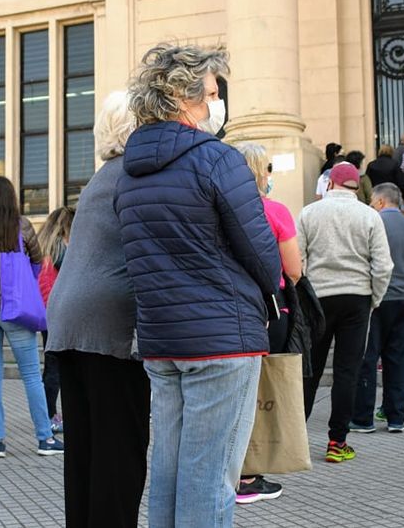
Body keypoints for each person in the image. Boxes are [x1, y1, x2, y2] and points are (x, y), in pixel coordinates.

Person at [114, 44, 281, 528]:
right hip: (221, 336)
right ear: (181, 99)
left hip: (162, 339)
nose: (215, 103)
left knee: (168, 471)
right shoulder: (216, 159)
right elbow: (260, 250)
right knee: (210, 478)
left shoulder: (129, 171)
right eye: (210, 93)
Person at [46, 91, 149, 528]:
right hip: (110, 327)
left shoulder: (102, 176)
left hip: (69, 322)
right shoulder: (136, 174)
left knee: (85, 455)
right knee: (119, 455)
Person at [297, 162, 393, 464]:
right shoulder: (370, 215)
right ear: (355, 186)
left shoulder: (309, 213)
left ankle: (295, 441)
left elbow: (297, 261)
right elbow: (383, 265)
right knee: (347, 372)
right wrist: (374, 298)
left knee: (309, 371)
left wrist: (304, 297)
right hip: (357, 298)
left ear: (330, 184)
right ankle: (337, 442)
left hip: (319, 299)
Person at [0, 176, 63, 458]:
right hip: (15, 308)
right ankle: (45, 439)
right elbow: (36, 260)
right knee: (32, 375)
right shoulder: (22, 226)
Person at [233, 143, 303, 504]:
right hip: (267, 308)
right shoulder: (274, 211)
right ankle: (247, 475)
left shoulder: (219, 209)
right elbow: (293, 269)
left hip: (226, 307)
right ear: (261, 172)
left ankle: (231, 470)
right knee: (257, 392)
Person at [349, 183, 404, 435]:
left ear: (381, 202)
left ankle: (363, 418)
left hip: (375, 299)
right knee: (399, 359)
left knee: (368, 358)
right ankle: (396, 417)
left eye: (372, 199)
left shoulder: (372, 223)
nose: (370, 204)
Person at [37, 205, 75, 434]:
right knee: (57, 369)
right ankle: (50, 416)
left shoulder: (44, 247)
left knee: (50, 367)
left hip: (44, 313)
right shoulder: (62, 248)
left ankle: (48, 412)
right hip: (59, 313)